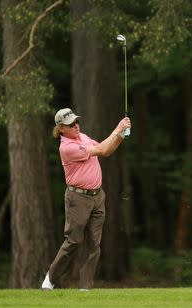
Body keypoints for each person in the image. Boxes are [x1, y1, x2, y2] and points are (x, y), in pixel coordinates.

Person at [41, 107, 131, 291]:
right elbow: (102, 148)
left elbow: (106, 151)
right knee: (74, 241)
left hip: (98, 196)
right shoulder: (67, 148)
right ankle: (50, 278)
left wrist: (121, 134)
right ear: (61, 129)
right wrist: (118, 128)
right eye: (71, 124)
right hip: (78, 199)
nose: (76, 125)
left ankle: (85, 287)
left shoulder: (83, 137)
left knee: (94, 243)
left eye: (76, 121)